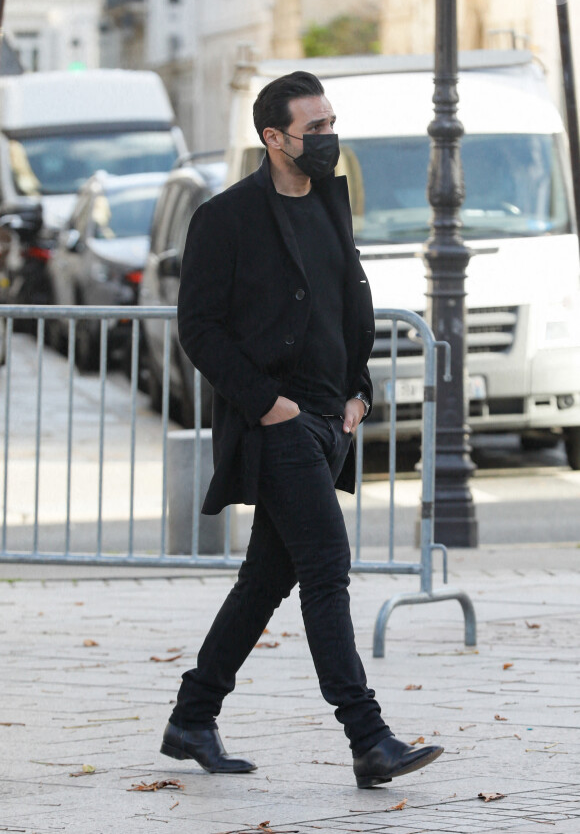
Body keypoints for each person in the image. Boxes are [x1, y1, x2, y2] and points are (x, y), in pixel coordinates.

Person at [160, 71, 443, 789]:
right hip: (277, 424)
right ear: (273, 137)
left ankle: (193, 716)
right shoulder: (225, 218)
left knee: (265, 578)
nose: (327, 139)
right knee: (325, 568)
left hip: (329, 421)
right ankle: (368, 736)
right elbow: (198, 329)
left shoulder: (328, 204)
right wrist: (266, 403)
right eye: (313, 129)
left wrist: (360, 391)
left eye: (330, 124)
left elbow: (349, 306)